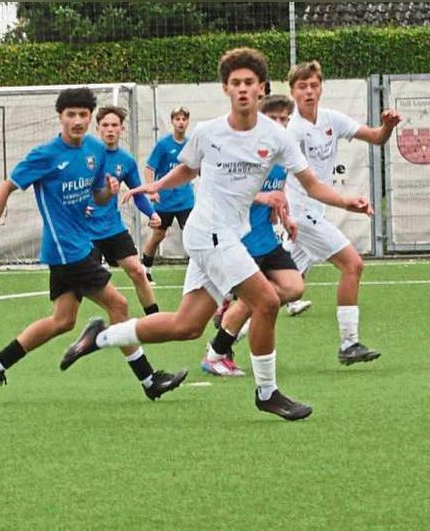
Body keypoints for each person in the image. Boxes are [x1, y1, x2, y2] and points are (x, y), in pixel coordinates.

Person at [59, 48, 374, 421]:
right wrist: (153, 186)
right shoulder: (208, 132)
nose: (243, 89)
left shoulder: (276, 136)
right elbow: (187, 171)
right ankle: (267, 391)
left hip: (227, 234)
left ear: (261, 89)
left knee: (186, 326)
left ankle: (100, 337)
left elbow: (310, 184)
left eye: (250, 83)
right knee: (268, 302)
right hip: (209, 233)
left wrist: (345, 200)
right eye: (236, 83)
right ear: (226, 88)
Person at [0, 87, 187, 405]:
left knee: (62, 320)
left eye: (83, 115)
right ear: (60, 117)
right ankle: (148, 378)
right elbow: (6, 187)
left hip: (78, 243)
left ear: (90, 118)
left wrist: (109, 190)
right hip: (66, 250)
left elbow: (98, 195)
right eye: (71, 115)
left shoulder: (94, 150)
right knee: (118, 306)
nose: (77, 120)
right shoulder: (45, 156)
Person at [284, 60, 401, 364]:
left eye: (313, 85)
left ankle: (222, 339)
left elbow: (376, 138)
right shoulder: (293, 131)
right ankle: (349, 343)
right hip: (300, 214)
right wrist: (346, 201)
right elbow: (310, 186)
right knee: (353, 264)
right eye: (302, 86)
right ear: (293, 92)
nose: (309, 91)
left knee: (280, 290)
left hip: (313, 213)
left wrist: (387, 126)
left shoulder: (331, 119)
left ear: (321, 87)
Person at [201, 94, 307, 377]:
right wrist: (263, 198)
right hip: (241, 237)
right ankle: (215, 355)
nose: (280, 124)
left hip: (266, 237)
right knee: (254, 300)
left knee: (294, 287)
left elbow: (279, 191)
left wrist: (285, 217)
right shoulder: (245, 152)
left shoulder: (282, 153)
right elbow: (228, 194)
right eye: (274, 118)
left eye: (285, 119)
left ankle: (228, 319)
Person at [88, 105, 161, 316]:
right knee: (86, 283)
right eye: (105, 125)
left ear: (121, 129)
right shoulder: (86, 156)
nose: (110, 129)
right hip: (86, 232)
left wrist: (152, 213)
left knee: (138, 271)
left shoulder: (126, 160)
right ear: (98, 128)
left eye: (114, 125)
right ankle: (110, 312)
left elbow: (137, 193)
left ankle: (154, 318)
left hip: (112, 227)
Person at [141, 105, 195, 285]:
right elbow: (149, 168)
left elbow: (198, 167)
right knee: (158, 235)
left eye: (184, 119)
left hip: (185, 200)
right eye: (177, 119)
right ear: (172, 121)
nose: (181, 122)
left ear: (187, 122)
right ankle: (145, 269)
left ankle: (197, 271)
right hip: (164, 200)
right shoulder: (163, 145)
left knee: (193, 234)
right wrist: (151, 189)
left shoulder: (191, 144)